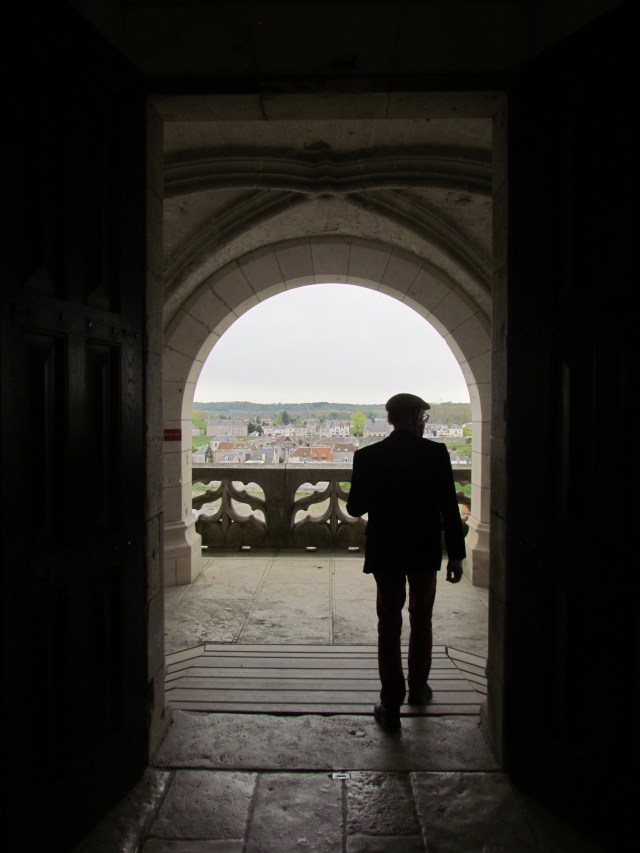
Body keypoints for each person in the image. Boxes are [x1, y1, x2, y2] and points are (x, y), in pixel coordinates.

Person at [346, 392, 466, 730]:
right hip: (424, 551)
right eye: (423, 418)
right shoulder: (436, 454)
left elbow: (355, 508)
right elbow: (449, 508)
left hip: (386, 551)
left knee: (388, 622)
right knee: (421, 618)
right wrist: (456, 554)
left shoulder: (368, 456)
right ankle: (418, 687)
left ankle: (391, 701)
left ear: (389, 419)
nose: (424, 425)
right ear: (415, 418)